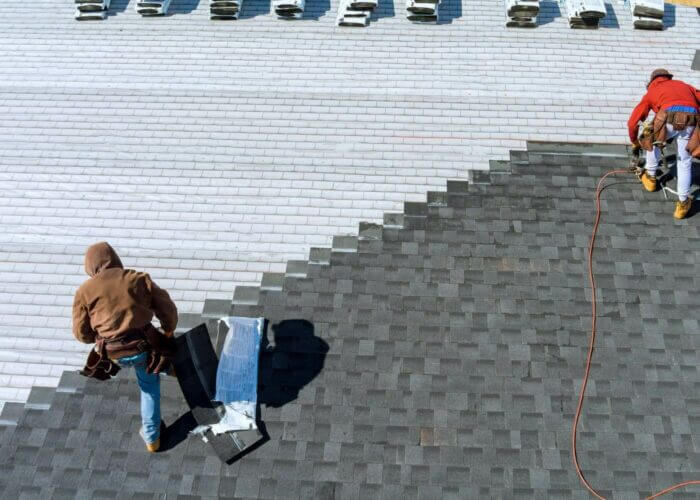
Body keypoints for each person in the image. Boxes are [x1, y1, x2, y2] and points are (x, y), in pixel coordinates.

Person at [72, 242, 178, 452]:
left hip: (114, 354)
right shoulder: (137, 278)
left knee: (147, 365)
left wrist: (105, 336)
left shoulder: (84, 292)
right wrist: (168, 331)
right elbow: (167, 309)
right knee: (149, 384)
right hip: (143, 347)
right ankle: (152, 438)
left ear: (90, 266)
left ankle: (168, 367)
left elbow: (81, 334)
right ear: (114, 259)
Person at [628, 68, 700, 219]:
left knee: (651, 140)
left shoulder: (653, 91)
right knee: (684, 162)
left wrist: (635, 141)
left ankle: (651, 177)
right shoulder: (684, 85)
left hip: (667, 118)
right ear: (668, 78)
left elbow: (632, 122)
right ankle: (682, 204)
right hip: (692, 120)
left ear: (651, 82)